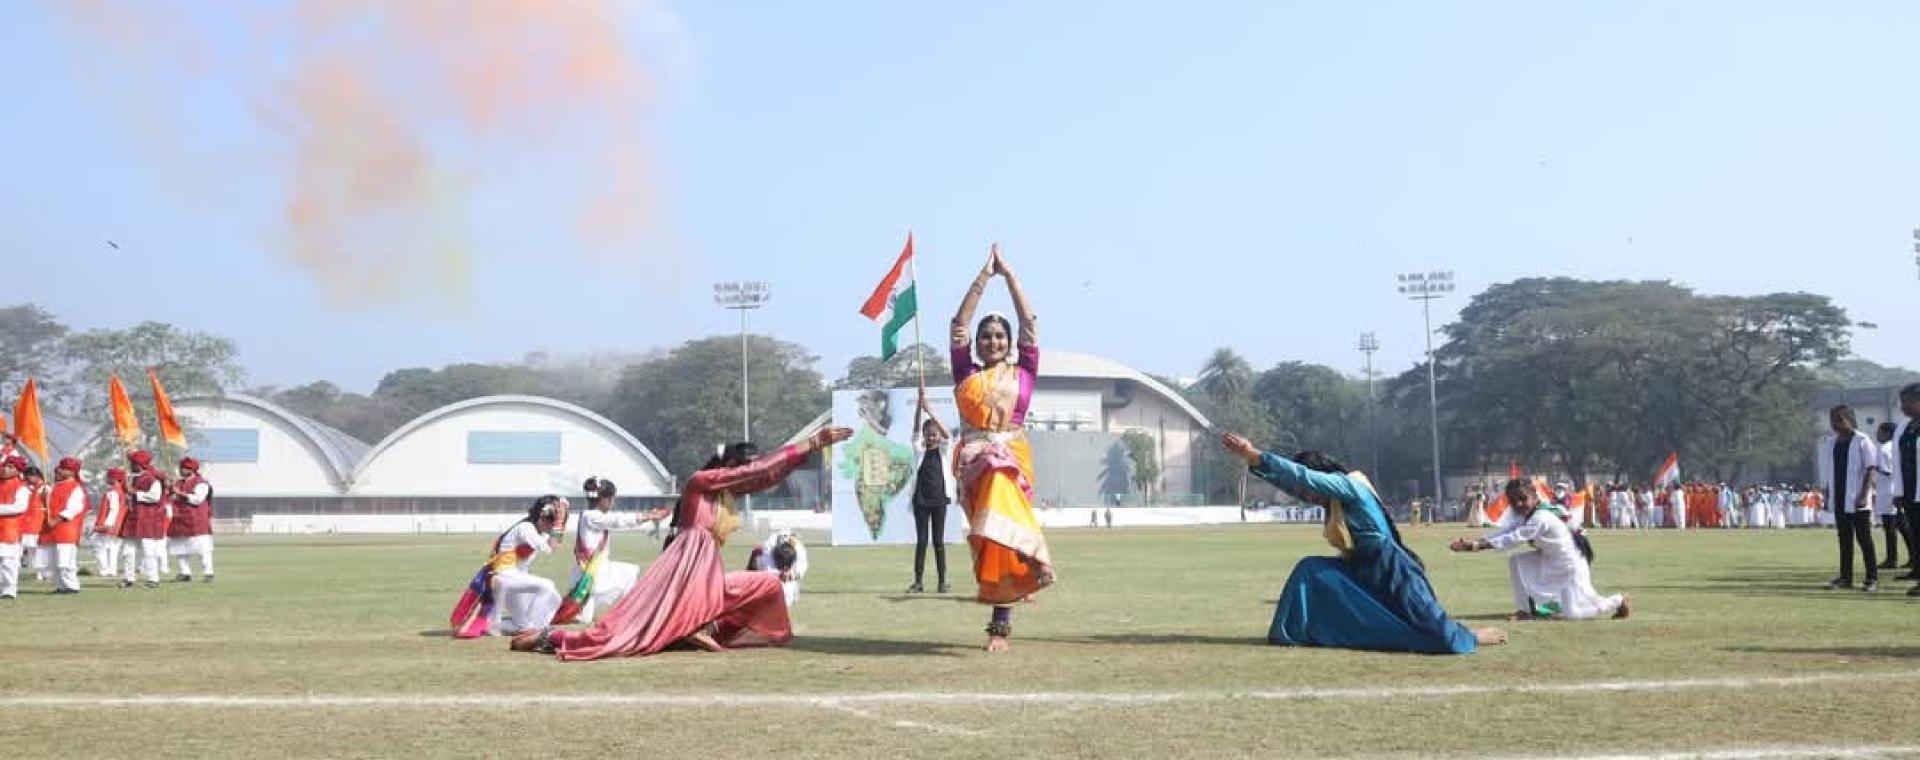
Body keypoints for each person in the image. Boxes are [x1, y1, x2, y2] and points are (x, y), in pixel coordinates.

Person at [521, 427, 850, 660]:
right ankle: (551, 637)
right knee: (629, 631)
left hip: (707, 568)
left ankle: (698, 626)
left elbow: (765, 476)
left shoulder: (725, 491)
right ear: (726, 467)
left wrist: (804, 454)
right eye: (741, 466)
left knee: (767, 586)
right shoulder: (700, 481)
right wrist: (809, 443)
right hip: (689, 562)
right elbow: (761, 469)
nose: (746, 471)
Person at [1222, 433, 1505, 654]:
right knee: (1310, 569)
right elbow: (1294, 481)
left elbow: (1300, 477)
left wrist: (1253, 454)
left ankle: (1472, 636)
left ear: (1321, 478)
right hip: (1358, 567)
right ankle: (1295, 633)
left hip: (1390, 566)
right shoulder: (1331, 496)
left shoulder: (1347, 486)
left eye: (1307, 491)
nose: (1305, 496)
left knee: (1439, 636)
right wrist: (1253, 462)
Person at [948, 246, 1054, 652]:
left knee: (1003, 538)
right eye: (986, 337)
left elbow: (1030, 323)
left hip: (1012, 460)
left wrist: (1009, 277)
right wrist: (981, 278)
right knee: (990, 541)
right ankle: (1029, 563)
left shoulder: (1024, 371)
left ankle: (1000, 627)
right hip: (976, 461)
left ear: (1009, 344)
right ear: (977, 345)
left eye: (999, 336)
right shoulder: (966, 374)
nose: (993, 341)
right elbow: (959, 324)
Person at [1451, 479, 1629, 621]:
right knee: (1516, 562)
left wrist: (1475, 547)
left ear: (1535, 496)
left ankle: (1619, 600)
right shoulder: (1527, 516)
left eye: (1523, 498)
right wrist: (1475, 542)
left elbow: (1514, 538)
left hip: (1570, 565)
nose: (1519, 504)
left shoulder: (1541, 517)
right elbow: (1506, 531)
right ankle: (1524, 611)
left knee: (1574, 614)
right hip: (1548, 559)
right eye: (1514, 501)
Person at [449, 495, 567, 638]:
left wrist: (561, 519)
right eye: (551, 522)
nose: (552, 526)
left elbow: (554, 542)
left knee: (546, 605)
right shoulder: (526, 528)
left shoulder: (537, 532)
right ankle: (536, 630)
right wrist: (560, 522)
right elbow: (550, 548)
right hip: (504, 577)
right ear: (542, 516)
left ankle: (491, 624)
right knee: (547, 586)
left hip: (514, 579)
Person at [554, 477, 640, 625]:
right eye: (612, 498)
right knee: (630, 572)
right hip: (591, 575)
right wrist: (646, 517)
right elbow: (617, 521)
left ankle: (628, 612)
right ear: (604, 500)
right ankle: (629, 612)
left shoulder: (590, 514)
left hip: (592, 573)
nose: (613, 502)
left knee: (630, 572)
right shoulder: (591, 516)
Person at [1818, 405, 1880, 592]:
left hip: (1857, 499)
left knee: (1864, 539)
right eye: (1833, 420)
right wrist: (1828, 490)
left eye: (1839, 419)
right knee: (1844, 539)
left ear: (1850, 419)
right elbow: (1830, 469)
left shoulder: (1862, 440)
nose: (1835, 424)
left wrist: (1863, 495)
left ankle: (1872, 578)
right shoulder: (1833, 442)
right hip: (1839, 497)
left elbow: (1871, 468)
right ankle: (1846, 577)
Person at [908, 394, 952, 594]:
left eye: (934, 434)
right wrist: (919, 407)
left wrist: (931, 411)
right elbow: (916, 430)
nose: (931, 437)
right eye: (928, 434)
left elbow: (947, 434)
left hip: (939, 501)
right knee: (922, 541)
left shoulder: (943, 450)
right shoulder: (919, 450)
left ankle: (942, 582)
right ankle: (918, 582)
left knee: (938, 541)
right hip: (921, 502)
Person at [41, 458, 89, 594]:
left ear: (71, 472)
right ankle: (61, 585)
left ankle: (71, 586)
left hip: (66, 528)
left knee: (65, 561)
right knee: (54, 560)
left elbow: (74, 508)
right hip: (52, 528)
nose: (58, 470)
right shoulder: (55, 486)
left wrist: (56, 520)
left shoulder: (76, 488)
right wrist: (45, 498)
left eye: (62, 468)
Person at [1874, 422, 1916, 573]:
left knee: (1890, 527)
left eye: (1879, 432)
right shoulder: (1896, 446)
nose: (1877, 435)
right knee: (1903, 526)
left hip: (1887, 491)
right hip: (1894, 490)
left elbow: (1888, 470)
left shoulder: (1884, 448)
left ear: (1886, 433)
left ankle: (1892, 558)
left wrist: (1876, 467)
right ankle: (1913, 556)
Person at [168, 457, 215, 583]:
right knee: (180, 547)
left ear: (192, 469)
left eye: (185, 468)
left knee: (202, 548)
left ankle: (208, 572)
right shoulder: (178, 483)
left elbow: (197, 499)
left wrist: (180, 494)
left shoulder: (201, 483)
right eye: (181, 468)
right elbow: (171, 497)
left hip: (196, 519)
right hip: (179, 518)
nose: (182, 470)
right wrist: (170, 489)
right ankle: (185, 572)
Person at [748, 529, 808, 606]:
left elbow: (802, 568)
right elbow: (767, 571)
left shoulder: (799, 548)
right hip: (762, 565)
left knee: (786, 599)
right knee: (757, 554)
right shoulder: (768, 547)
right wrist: (779, 574)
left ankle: (793, 588)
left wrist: (792, 574)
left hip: (789, 571)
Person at [90, 468, 128, 579]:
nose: (107, 478)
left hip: (109, 524)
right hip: (118, 524)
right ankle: (111, 569)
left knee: (97, 544)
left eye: (109, 476)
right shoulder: (122, 492)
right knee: (112, 548)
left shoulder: (113, 492)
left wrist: (106, 525)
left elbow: (113, 509)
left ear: (114, 478)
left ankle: (105, 569)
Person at [0, 454, 29, 599]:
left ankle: (9, 589)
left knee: (8, 560)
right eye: (5, 465)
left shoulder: (21, 487)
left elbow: (20, 507)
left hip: (10, 529)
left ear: (18, 470)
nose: (5, 469)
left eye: (10, 467)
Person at [22, 465, 47, 582]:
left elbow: (49, 505)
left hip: (38, 522)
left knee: (38, 550)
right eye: (28, 476)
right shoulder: (25, 488)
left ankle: (41, 573)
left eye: (32, 476)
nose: (30, 478)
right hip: (25, 522)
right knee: (23, 548)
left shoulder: (45, 488)